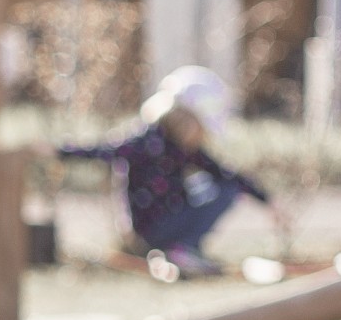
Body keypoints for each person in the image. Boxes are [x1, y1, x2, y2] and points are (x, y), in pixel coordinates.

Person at [60, 66, 270, 279]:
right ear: (184, 118)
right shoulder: (146, 143)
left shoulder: (186, 150)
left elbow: (226, 174)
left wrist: (267, 201)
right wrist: (59, 151)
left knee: (223, 188)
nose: (202, 135)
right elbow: (104, 151)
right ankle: (182, 251)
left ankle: (185, 250)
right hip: (152, 228)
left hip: (170, 219)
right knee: (224, 191)